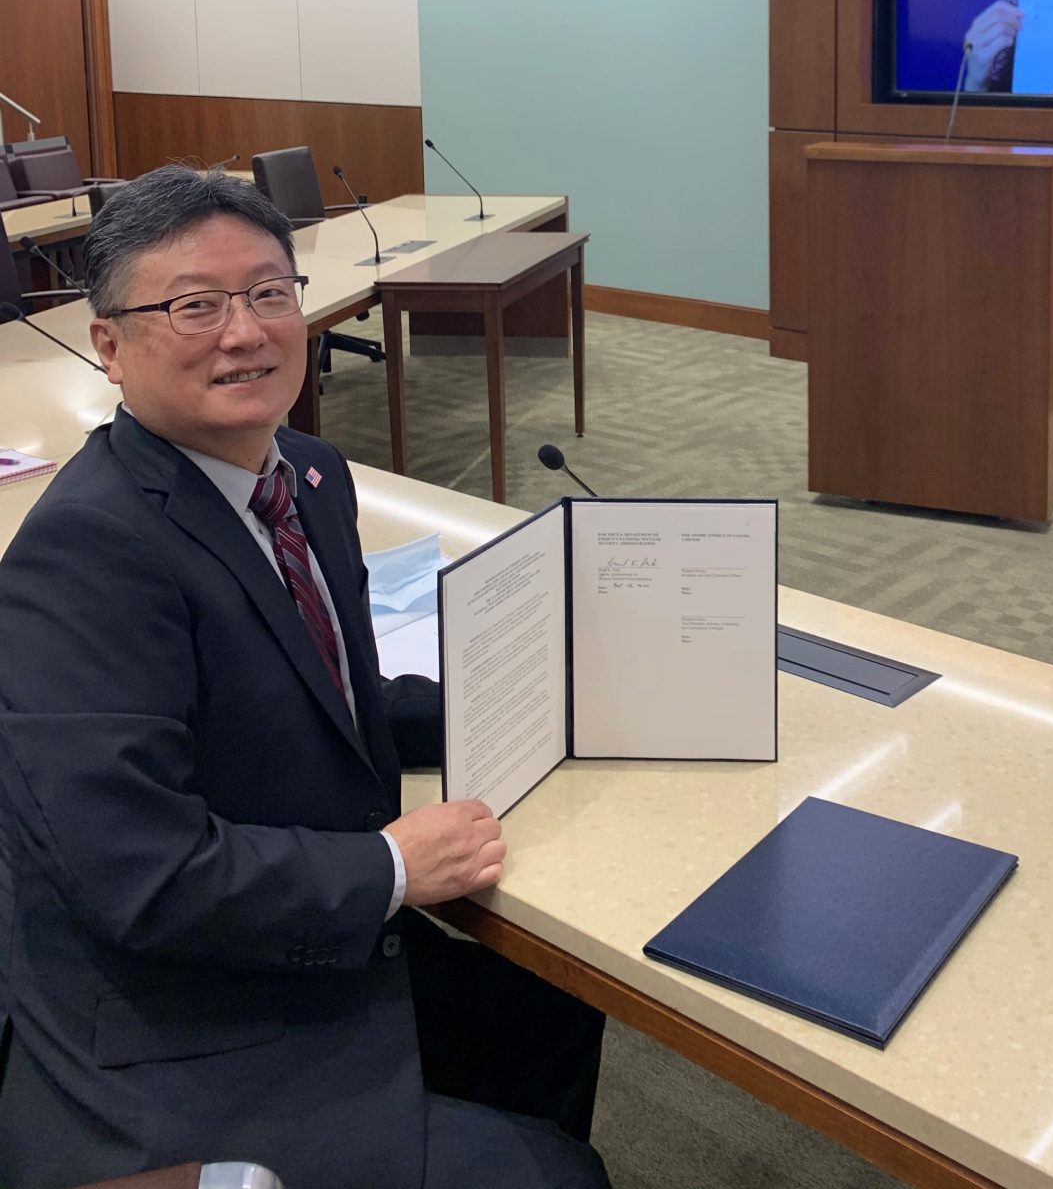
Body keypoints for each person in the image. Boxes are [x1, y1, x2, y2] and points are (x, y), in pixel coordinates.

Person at [0, 167, 610, 1189]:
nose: (244, 332)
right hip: (182, 1019)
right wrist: (391, 868)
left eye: (269, 293)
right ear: (108, 345)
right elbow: (141, 879)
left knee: (553, 1001)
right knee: (551, 1176)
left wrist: (529, 702)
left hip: (290, 929)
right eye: (194, 305)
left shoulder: (309, 480)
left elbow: (336, 693)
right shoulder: (84, 558)